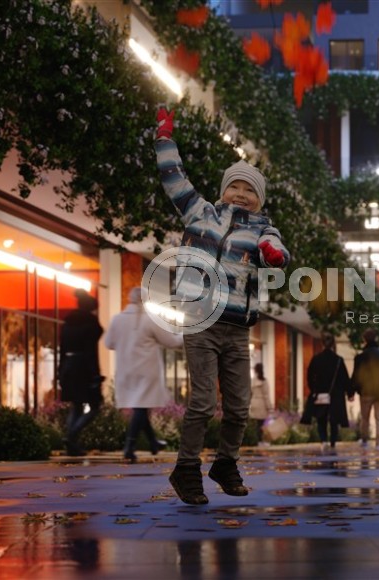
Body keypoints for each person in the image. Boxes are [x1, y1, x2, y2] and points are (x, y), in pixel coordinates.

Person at [155, 107, 290, 505]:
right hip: (201, 320)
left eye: (250, 191)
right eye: (236, 187)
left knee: (240, 407)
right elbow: (174, 178)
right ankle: (186, 468)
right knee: (202, 402)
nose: (242, 195)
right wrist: (164, 139)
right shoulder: (201, 212)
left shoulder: (264, 228)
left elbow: (278, 253)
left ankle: (225, 463)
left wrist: (272, 252)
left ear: (259, 199)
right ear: (224, 189)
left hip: (237, 329)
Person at [104, 287, 183, 463]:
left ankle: (153, 442)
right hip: (147, 370)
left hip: (126, 370)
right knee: (141, 407)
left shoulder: (117, 320)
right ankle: (129, 446)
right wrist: (186, 335)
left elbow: (108, 343)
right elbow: (170, 341)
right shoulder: (150, 319)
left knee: (141, 406)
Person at [59, 289, 104, 457]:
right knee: (95, 406)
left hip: (68, 367)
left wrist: (60, 372)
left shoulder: (67, 324)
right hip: (83, 368)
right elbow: (91, 352)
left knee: (76, 405)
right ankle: (71, 437)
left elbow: (62, 350)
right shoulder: (91, 325)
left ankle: (72, 445)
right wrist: (95, 375)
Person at [306, 334, 352, 452]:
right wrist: (349, 392)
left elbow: (310, 375)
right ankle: (332, 442)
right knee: (334, 419)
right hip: (335, 394)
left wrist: (313, 389)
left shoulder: (316, 359)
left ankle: (323, 440)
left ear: (322, 343)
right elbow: (344, 378)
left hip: (321, 392)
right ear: (333, 344)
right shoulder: (338, 360)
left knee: (321, 418)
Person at [351, 328, 379, 448]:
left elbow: (356, 376)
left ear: (364, 340)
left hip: (366, 392)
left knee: (365, 418)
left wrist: (353, 391)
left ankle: (364, 440)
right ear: (376, 338)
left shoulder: (360, 357)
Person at [249, 363, 273, 445]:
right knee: (262, 424)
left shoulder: (252, 381)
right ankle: (261, 441)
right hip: (261, 403)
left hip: (254, 402)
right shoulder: (264, 381)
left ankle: (257, 440)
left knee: (256, 424)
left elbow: (250, 393)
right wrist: (270, 407)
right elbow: (266, 396)